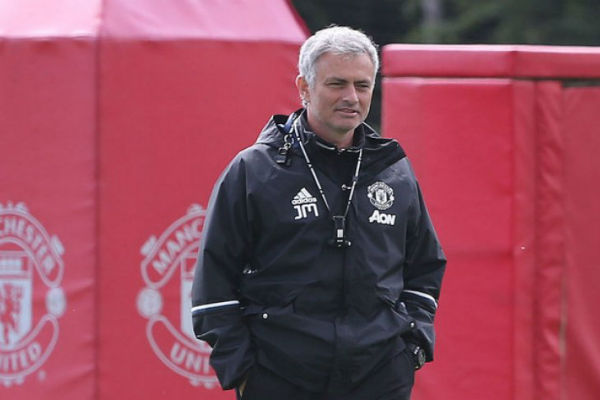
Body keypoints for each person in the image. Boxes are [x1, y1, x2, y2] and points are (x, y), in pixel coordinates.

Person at [191, 26, 446, 400]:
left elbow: (425, 265)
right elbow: (214, 279)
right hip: (278, 375)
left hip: (380, 375)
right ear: (305, 87)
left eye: (362, 85)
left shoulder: (393, 170)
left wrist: (412, 346)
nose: (351, 97)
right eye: (337, 84)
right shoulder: (253, 170)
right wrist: (242, 370)